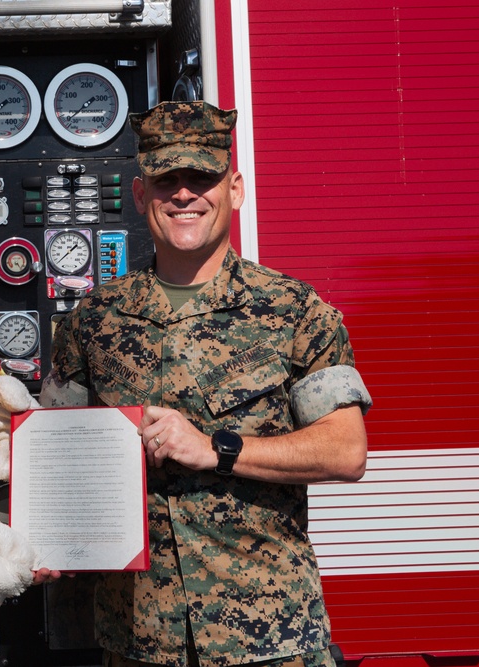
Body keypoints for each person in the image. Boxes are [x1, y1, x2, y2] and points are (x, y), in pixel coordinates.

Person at [40, 100, 372, 667]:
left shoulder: (295, 310)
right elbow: (55, 454)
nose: (185, 194)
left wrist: (215, 449)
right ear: (143, 196)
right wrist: (44, 533)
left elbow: (345, 451)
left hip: (269, 638)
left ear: (235, 189)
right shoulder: (92, 320)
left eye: (203, 177)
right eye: (167, 179)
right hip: (139, 639)